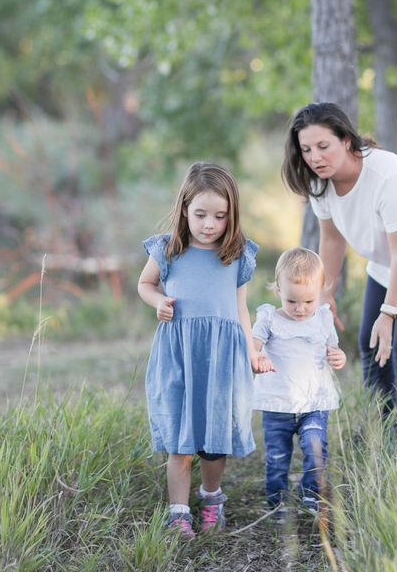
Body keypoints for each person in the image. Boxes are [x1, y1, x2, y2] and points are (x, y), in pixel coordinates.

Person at [281, 102, 397, 414]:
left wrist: (389, 313)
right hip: (389, 261)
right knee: (369, 344)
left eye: (323, 146)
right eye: (306, 149)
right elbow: (331, 238)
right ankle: (382, 425)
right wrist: (326, 290)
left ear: (346, 140)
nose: (315, 157)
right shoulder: (319, 180)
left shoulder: (387, 176)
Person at [137, 162, 262, 538]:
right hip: (180, 355)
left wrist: (252, 350)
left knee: (214, 436)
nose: (209, 224)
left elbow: (240, 309)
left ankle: (211, 498)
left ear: (231, 215)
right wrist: (157, 301)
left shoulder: (236, 254)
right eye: (201, 214)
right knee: (180, 436)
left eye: (220, 216)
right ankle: (178, 512)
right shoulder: (168, 249)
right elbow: (144, 284)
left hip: (221, 359)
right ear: (185, 209)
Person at [252, 247, 347, 519]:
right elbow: (254, 346)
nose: (300, 309)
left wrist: (338, 357)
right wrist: (256, 355)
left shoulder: (323, 317)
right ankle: (277, 503)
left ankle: (312, 494)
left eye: (308, 301)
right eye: (292, 301)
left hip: (314, 402)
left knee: (316, 448)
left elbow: (333, 350)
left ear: (320, 292)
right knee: (277, 458)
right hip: (277, 403)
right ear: (278, 290)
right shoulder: (269, 318)